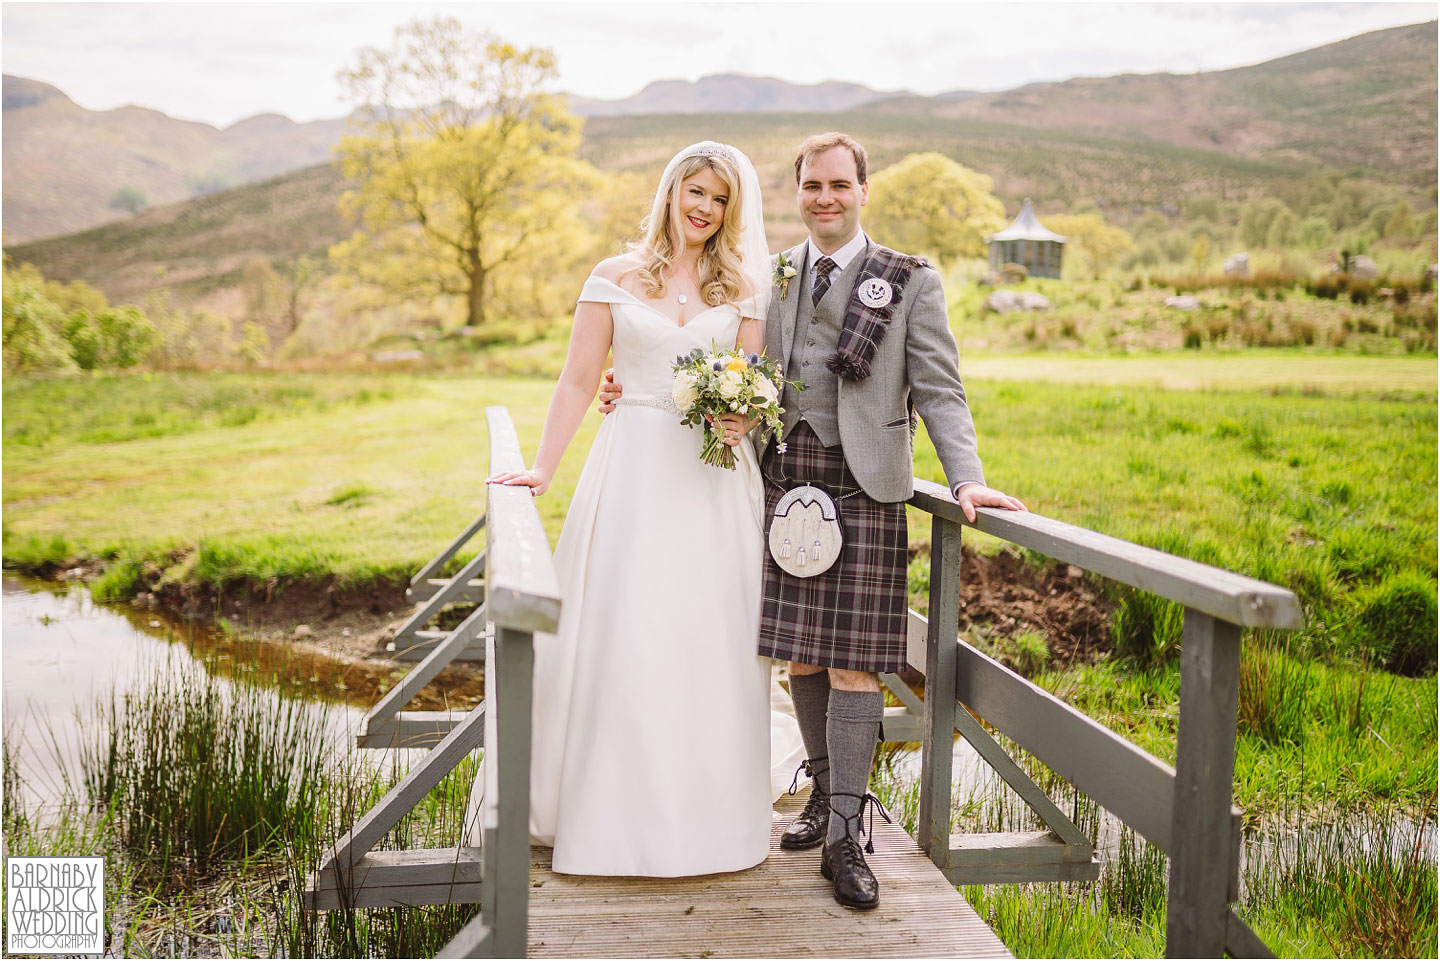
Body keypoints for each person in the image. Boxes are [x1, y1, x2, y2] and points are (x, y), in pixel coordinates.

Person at [600, 132, 1025, 907]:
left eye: (839, 184)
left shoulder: (909, 279)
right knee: (800, 655)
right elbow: (730, 362)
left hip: (866, 486)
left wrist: (968, 479)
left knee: (855, 662)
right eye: (812, 186)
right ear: (797, 193)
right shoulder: (772, 272)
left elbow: (941, 388)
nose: (825, 197)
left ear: (863, 189)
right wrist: (629, 386)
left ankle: (846, 839)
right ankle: (823, 799)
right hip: (782, 480)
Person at [465, 141, 803, 877]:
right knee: (626, 628)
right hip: (632, 476)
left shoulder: (742, 287)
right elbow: (578, 379)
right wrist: (542, 469)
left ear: (731, 210)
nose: (704, 208)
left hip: (713, 483)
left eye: (719, 199)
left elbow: (753, 380)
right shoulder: (614, 277)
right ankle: (607, 816)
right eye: (695, 192)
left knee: (707, 638)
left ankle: (709, 820)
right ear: (671, 191)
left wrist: (743, 417)